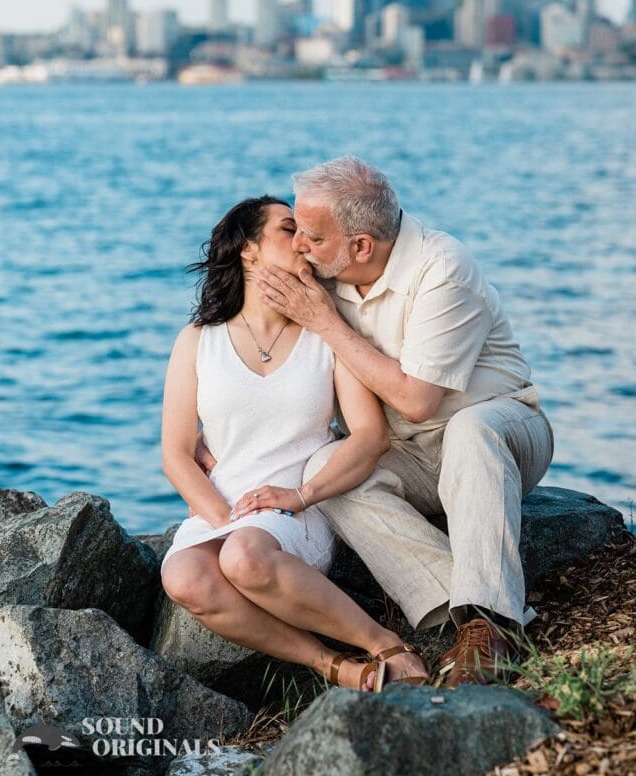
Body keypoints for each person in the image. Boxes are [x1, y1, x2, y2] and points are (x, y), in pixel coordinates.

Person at [248, 157, 554, 687]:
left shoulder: (443, 267)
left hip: (503, 434)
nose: (299, 246)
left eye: (312, 238)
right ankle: (456, 604)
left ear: (361, 245)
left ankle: (492, 623)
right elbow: (261, 336)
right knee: (327, 467)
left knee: (469, 431)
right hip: (410, 454)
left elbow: (417, 400)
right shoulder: (329, 271)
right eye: (296, 231)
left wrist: (324, 321)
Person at [160, 195, 430, 692]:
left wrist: (302, 497)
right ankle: (333, 665)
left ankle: (381, 642)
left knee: (243, 557)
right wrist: (223, 517)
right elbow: (176, 453)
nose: (303, 241)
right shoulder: (198, 340)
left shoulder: (327, 334)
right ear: (248, 250)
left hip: (299, 505)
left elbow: (370, 437)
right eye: (288, 230)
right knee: (182, 577)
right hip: (226, 508)